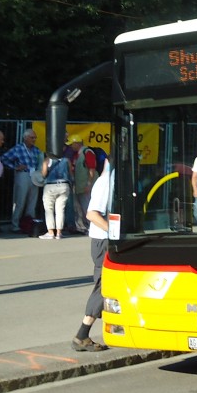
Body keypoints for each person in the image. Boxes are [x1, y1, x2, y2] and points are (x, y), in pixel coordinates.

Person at [72, 157, 113, 352]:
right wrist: (114, 234)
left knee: (107, 285)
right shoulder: (106, 181)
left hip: (105, 240)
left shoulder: (111, 178)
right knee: (103, 286)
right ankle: (82, 335)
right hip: (103, 241)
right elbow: (92, 214)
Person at [0, 128, 41, 234]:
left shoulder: (36, 150)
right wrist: (15, 167)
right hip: (23, 175)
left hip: (34, 177)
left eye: (35, 137)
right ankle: (15, 225)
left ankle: (29, 224)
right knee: (20, 201)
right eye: (32, 137)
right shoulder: (18, 148)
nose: (34, 139)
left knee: (32, 202)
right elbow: (4, 158)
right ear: (25, 138)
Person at [39, 141, 74, 239]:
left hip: (51, 185)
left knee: (49, 209)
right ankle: (59, 232)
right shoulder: (67, 160)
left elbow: (44, 174)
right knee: (60, 209)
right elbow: (71, 174)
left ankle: (50, 232)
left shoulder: (47, 160)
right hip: (64, 185)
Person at [70, 134, 96, 233]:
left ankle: (92, 226)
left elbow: (92, 169)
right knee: (81, 207)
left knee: (88, 206)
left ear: (77, 143)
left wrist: (89, 184)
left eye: (72, 144)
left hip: (85, 186)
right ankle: (85, 226)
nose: (71, 146)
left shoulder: (88, 153)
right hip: (79, 186)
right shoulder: (77, 154)